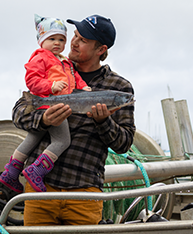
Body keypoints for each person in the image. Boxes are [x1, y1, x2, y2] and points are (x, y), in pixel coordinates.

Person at [12, 14, 136, 226]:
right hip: (41, 189)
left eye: (83, 40)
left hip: (85, 193)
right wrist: (43, 119)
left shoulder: (119, 87)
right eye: (75, 36)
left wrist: (104, 122)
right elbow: (19, 111)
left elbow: (124, 143)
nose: (74, 42)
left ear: (101, 50)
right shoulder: (54, 67)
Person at [0, 14, 90, 194]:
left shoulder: (65, 62)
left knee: (33, 138)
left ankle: (11, 170)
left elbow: (75, 78)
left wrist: (84, 87)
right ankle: (36, 171)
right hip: (52, 106)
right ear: (41, 41)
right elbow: (31, 81)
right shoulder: (41, 58)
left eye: (61, 39)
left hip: (54, 105)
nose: (57, 43)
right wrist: (51, 86)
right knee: (62, 140)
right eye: (52, 38)